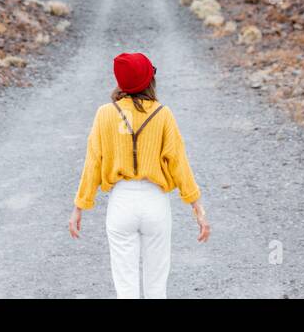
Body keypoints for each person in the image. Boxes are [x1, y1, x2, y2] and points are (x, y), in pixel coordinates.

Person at [68, 51, 210, 298]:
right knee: (156, 286)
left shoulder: (104, 114)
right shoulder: (163, 114)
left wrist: (79, 206)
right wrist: (196, 206)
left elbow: (93, 162)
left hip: (121, 203)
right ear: (148, 81)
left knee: (126, 287)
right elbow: (179, 162)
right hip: (155, 203)